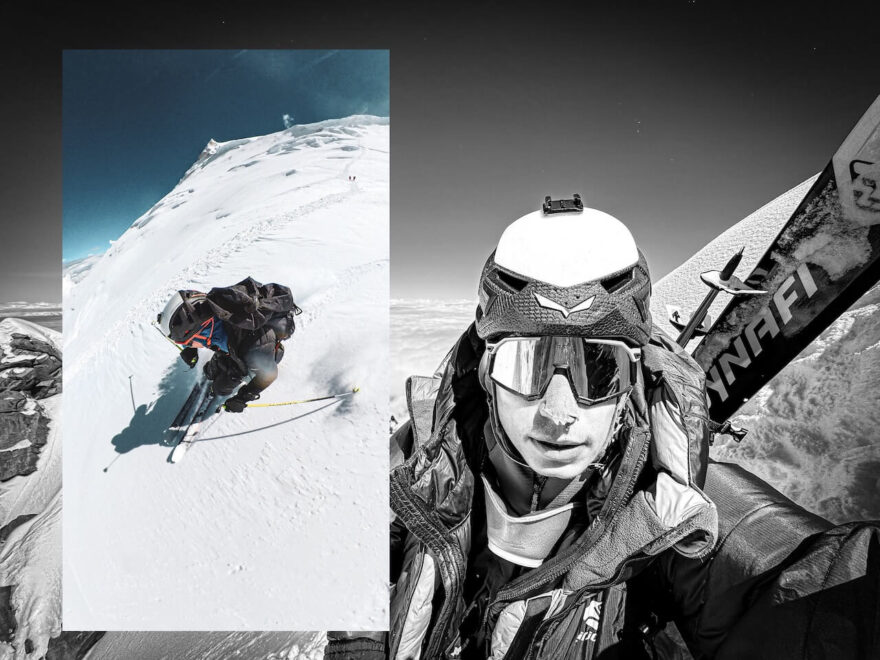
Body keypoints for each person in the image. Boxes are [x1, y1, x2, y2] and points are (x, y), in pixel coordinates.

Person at [325, 197, 879, 659]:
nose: (558, 412)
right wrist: (359, 643)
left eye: (600, 369)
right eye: (525, 366)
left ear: (634, 377)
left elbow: (804, 588)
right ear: (487, 371)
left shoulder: (684, 514)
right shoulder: (417, 462)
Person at [157, 276, 300, 413]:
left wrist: (243, 398)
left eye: (188, 342)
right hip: (235, 344)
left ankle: (270, 356)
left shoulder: (254, 347)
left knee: (222, 387)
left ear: (200, 332)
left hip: (259, 346)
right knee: (212, 371)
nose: (189, 345)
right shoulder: (213, 313)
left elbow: (270, 375)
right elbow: (199, 335)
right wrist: (190, 350)